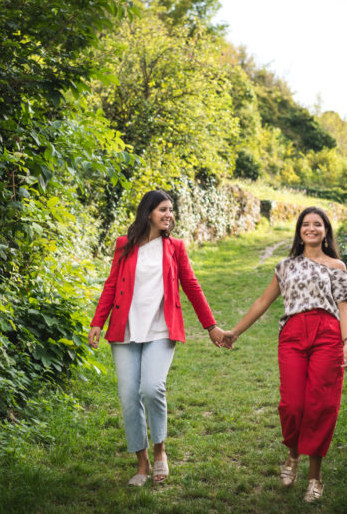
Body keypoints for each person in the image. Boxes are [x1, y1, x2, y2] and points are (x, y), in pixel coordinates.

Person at [88, 189, 228, 487]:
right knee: (128, 397)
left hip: (161, 330)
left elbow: (192, 286)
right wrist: (97, 322)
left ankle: (161, 450)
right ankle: (142, 463)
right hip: (125, 330)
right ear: (148, 212)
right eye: (163, 209)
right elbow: (112, 285)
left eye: (171, 210)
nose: (169, 215)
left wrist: (211, 326)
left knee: (151, 388)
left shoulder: (175, 247)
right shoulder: (124, 245)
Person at [224, 206, 347, 503]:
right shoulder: (286, 266)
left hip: (327, 334)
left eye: (317, 224)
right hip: (293, 335)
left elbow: (344, 306)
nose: (311, 228)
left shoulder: (337, 266)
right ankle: (293, 454)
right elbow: (262, 302)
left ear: (325, 231)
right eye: (306, 224)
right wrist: (235, 332)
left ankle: (315, 476)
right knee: (293, 404)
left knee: (322, 404)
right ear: (299, 231)